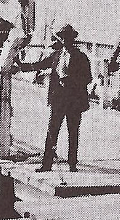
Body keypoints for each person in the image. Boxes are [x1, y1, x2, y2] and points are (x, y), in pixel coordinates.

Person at [16, 24, 91, 172]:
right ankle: (46, 164)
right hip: (58, 100)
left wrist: (71, 81)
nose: (65, 40)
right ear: (61, 39)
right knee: (52, 132)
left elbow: (88, 78)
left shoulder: (81, 57)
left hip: (74, 101)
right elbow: (41, 65)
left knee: (73, 132)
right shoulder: (56, 55)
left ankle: (72, 163)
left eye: (68, 37)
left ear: (72, 39)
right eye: (63, 37)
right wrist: (22, 66)